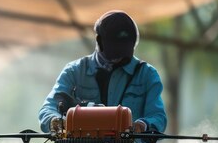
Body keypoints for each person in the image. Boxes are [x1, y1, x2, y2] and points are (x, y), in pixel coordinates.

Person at [39, 10, 167, 134]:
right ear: (99, 42)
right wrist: (56, 121)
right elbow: (48, 108)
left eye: (124, 49)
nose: (120, 55)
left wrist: (142, 126)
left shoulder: (147, 74)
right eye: (115, 48)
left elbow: (158, 117)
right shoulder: (74, 71)